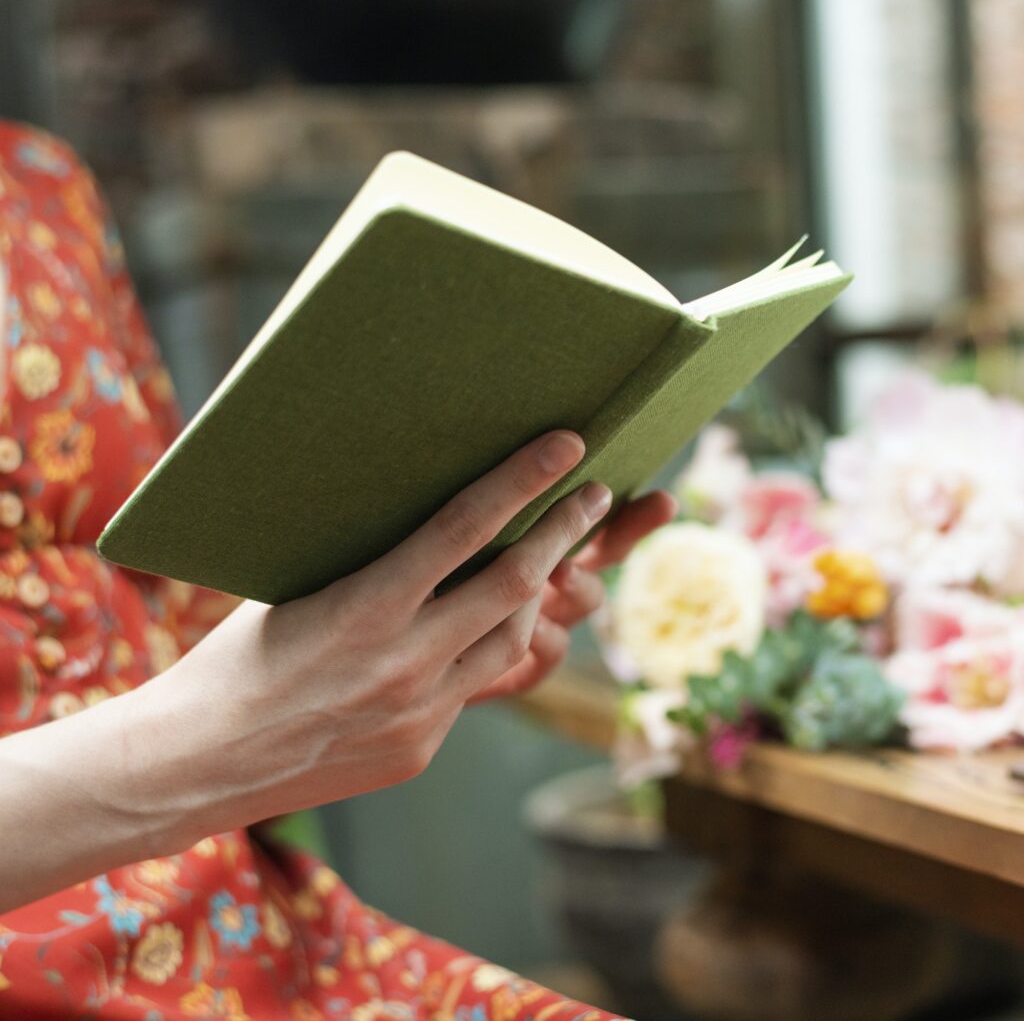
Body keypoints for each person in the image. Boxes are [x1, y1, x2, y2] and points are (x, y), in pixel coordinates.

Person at [0, 120, 676, 1019]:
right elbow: (195, 725)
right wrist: (203, 750)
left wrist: (411, 632)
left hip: (247, 930)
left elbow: (156, 594)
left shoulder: (37, 180)